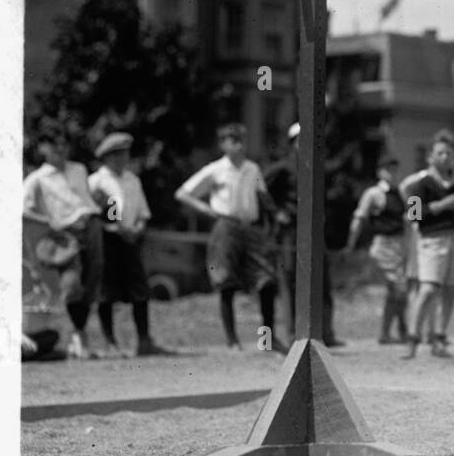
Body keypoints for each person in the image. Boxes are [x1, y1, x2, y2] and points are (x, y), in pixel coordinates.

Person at [175, 123, 286, 354]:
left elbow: (262, 195)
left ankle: (267, 339)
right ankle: (232, 341)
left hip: (251, 228)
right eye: (232, 140)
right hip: (226, 226)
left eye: (241, 139)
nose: (238, 144)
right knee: (226, 281)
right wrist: (207, 210)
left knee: (266, 280)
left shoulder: (252, 169)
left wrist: (276, 214)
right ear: (222, 144)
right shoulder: (215, 170)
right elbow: (183, 193)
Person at [22, 129, 104, 360]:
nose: (60, 150)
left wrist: (104, 216)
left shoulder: (79, 169)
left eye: (64, 144)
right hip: (65, 234)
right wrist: (50, 223)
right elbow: (22, 209)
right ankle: (69, 334)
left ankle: (80, 335)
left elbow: (87, 199)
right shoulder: (38, 178)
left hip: (91, 225)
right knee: (72, 285)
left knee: (92, 281)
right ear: (43, 149)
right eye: (54, 145)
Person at [88, 130, 172, 356]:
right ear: (106, 157)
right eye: (116, 155)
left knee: (139, 290)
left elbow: (143, 211)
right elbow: (95, 214)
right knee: (106, 291)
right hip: (108, 240)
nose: (121, 159)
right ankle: (110, 342)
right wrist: (116, 228)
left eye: (124, 154)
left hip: (131, 239)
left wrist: (137, 228)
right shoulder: (96, 181)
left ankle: (144, 341)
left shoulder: (132, 180)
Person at [400, 130, 454, 359]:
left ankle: (439, 337)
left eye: (449, 153)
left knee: (452, 288)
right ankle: (413, 337)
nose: (445, 157)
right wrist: (440, 205)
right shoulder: (421, 184)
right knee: (428, 288)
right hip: (432, 240)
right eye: (440, 153)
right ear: (431, 157)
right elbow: (413, 214)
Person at [264, 122, 342, 347]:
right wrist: (276, 212)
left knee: (322, 280)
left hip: (315, 231)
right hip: (291, 232)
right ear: (292, 142)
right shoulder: (283, 167)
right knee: (291, 281)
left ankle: (326, 333)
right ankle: (292, 335)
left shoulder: (317, 166)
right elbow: (259, 186)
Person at [347, 154, 410, 345]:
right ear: (379, 171)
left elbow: (412, 216)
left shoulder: (402, 192)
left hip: (400, 244)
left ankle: (394, 332)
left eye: (394, 169)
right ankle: (400, 331)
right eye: (387, 169)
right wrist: (351, 243)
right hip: (383, 245)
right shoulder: (373, 194)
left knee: (397, 291)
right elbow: (359, 218)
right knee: (398, 289)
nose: (391, 173)